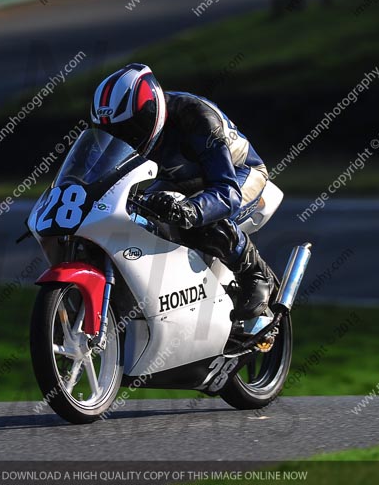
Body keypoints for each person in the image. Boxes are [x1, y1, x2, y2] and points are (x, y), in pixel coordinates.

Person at [90, 63, 274, 319]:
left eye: (130, 128)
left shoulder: (196, 116)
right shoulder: (137, 130)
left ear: (151, 111)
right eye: (114, 133)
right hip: (178, 178)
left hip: (237, 173)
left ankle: (255, 273)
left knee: (199, 221)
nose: (125, 139)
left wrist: (191, 209)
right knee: (133, 215)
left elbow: (226, 192)